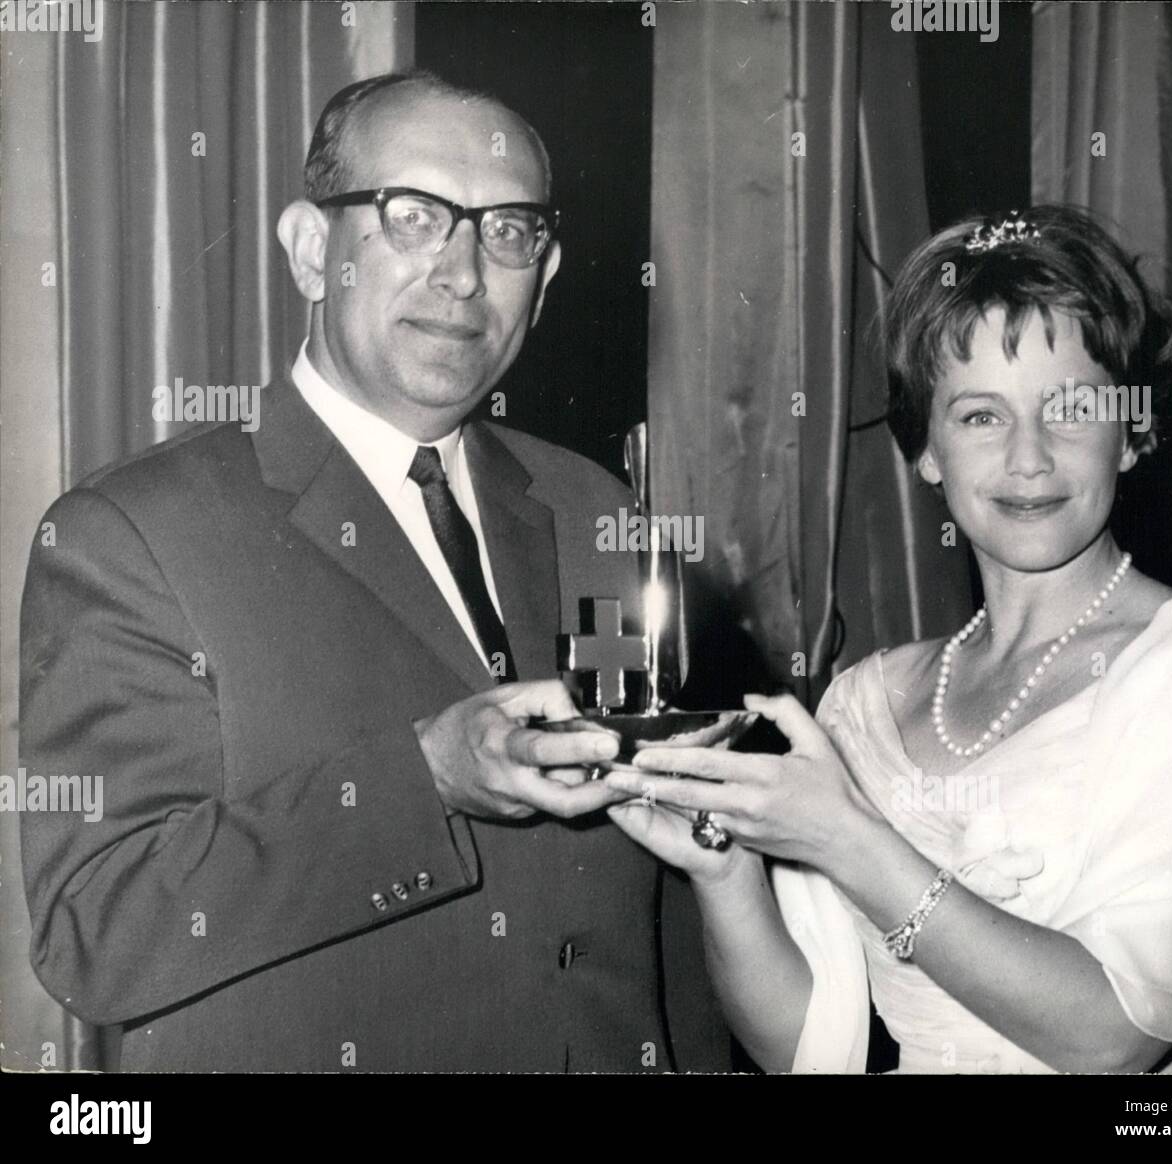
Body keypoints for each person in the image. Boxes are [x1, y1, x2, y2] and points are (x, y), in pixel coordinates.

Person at [19, 70, 723, 1072]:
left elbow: (664, 904)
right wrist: (423, 778)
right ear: (313, 252)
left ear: (549, 270)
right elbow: (98, 932)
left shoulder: (593, 511)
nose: (465, 274)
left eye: (509, 230)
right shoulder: (130, 534)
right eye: (414, 218)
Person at [604, 205, 1172, 1074]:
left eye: (1071, 408)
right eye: (980, 417)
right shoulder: (867, 698)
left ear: (1132, 434)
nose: (1030, 458)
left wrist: (852, 841)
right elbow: (805, 1047)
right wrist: (723, 868)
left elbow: (1113, 1038)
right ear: (926, 450)